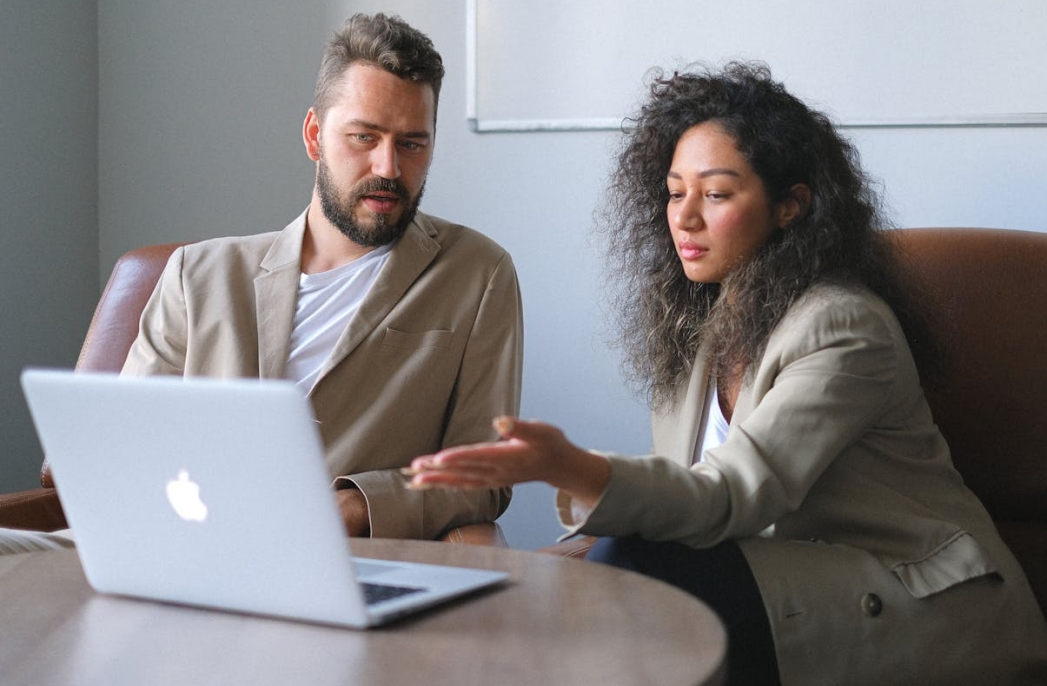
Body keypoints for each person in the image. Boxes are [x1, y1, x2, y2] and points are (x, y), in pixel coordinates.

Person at [404, 63, 1047, 685]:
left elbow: (728, 497)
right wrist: (519, 573)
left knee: (636, 570)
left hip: (922, 604)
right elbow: (676, 507)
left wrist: (568, 466)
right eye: (674, 192)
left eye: (714, 194)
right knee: (577, 587)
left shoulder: (844, 328)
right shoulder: (700, 327)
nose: (684, 217)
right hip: (784, 584)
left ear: (790, 206)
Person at [0, 12, 521, 552]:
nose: (388, 166)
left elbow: (486, 471)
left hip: (331, 558)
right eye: (364, 137)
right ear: (315, 136)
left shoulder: (476, 273)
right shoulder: (198, 275)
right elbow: (124, 446)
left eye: (412, 144)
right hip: (160, 540)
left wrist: (356, 505)